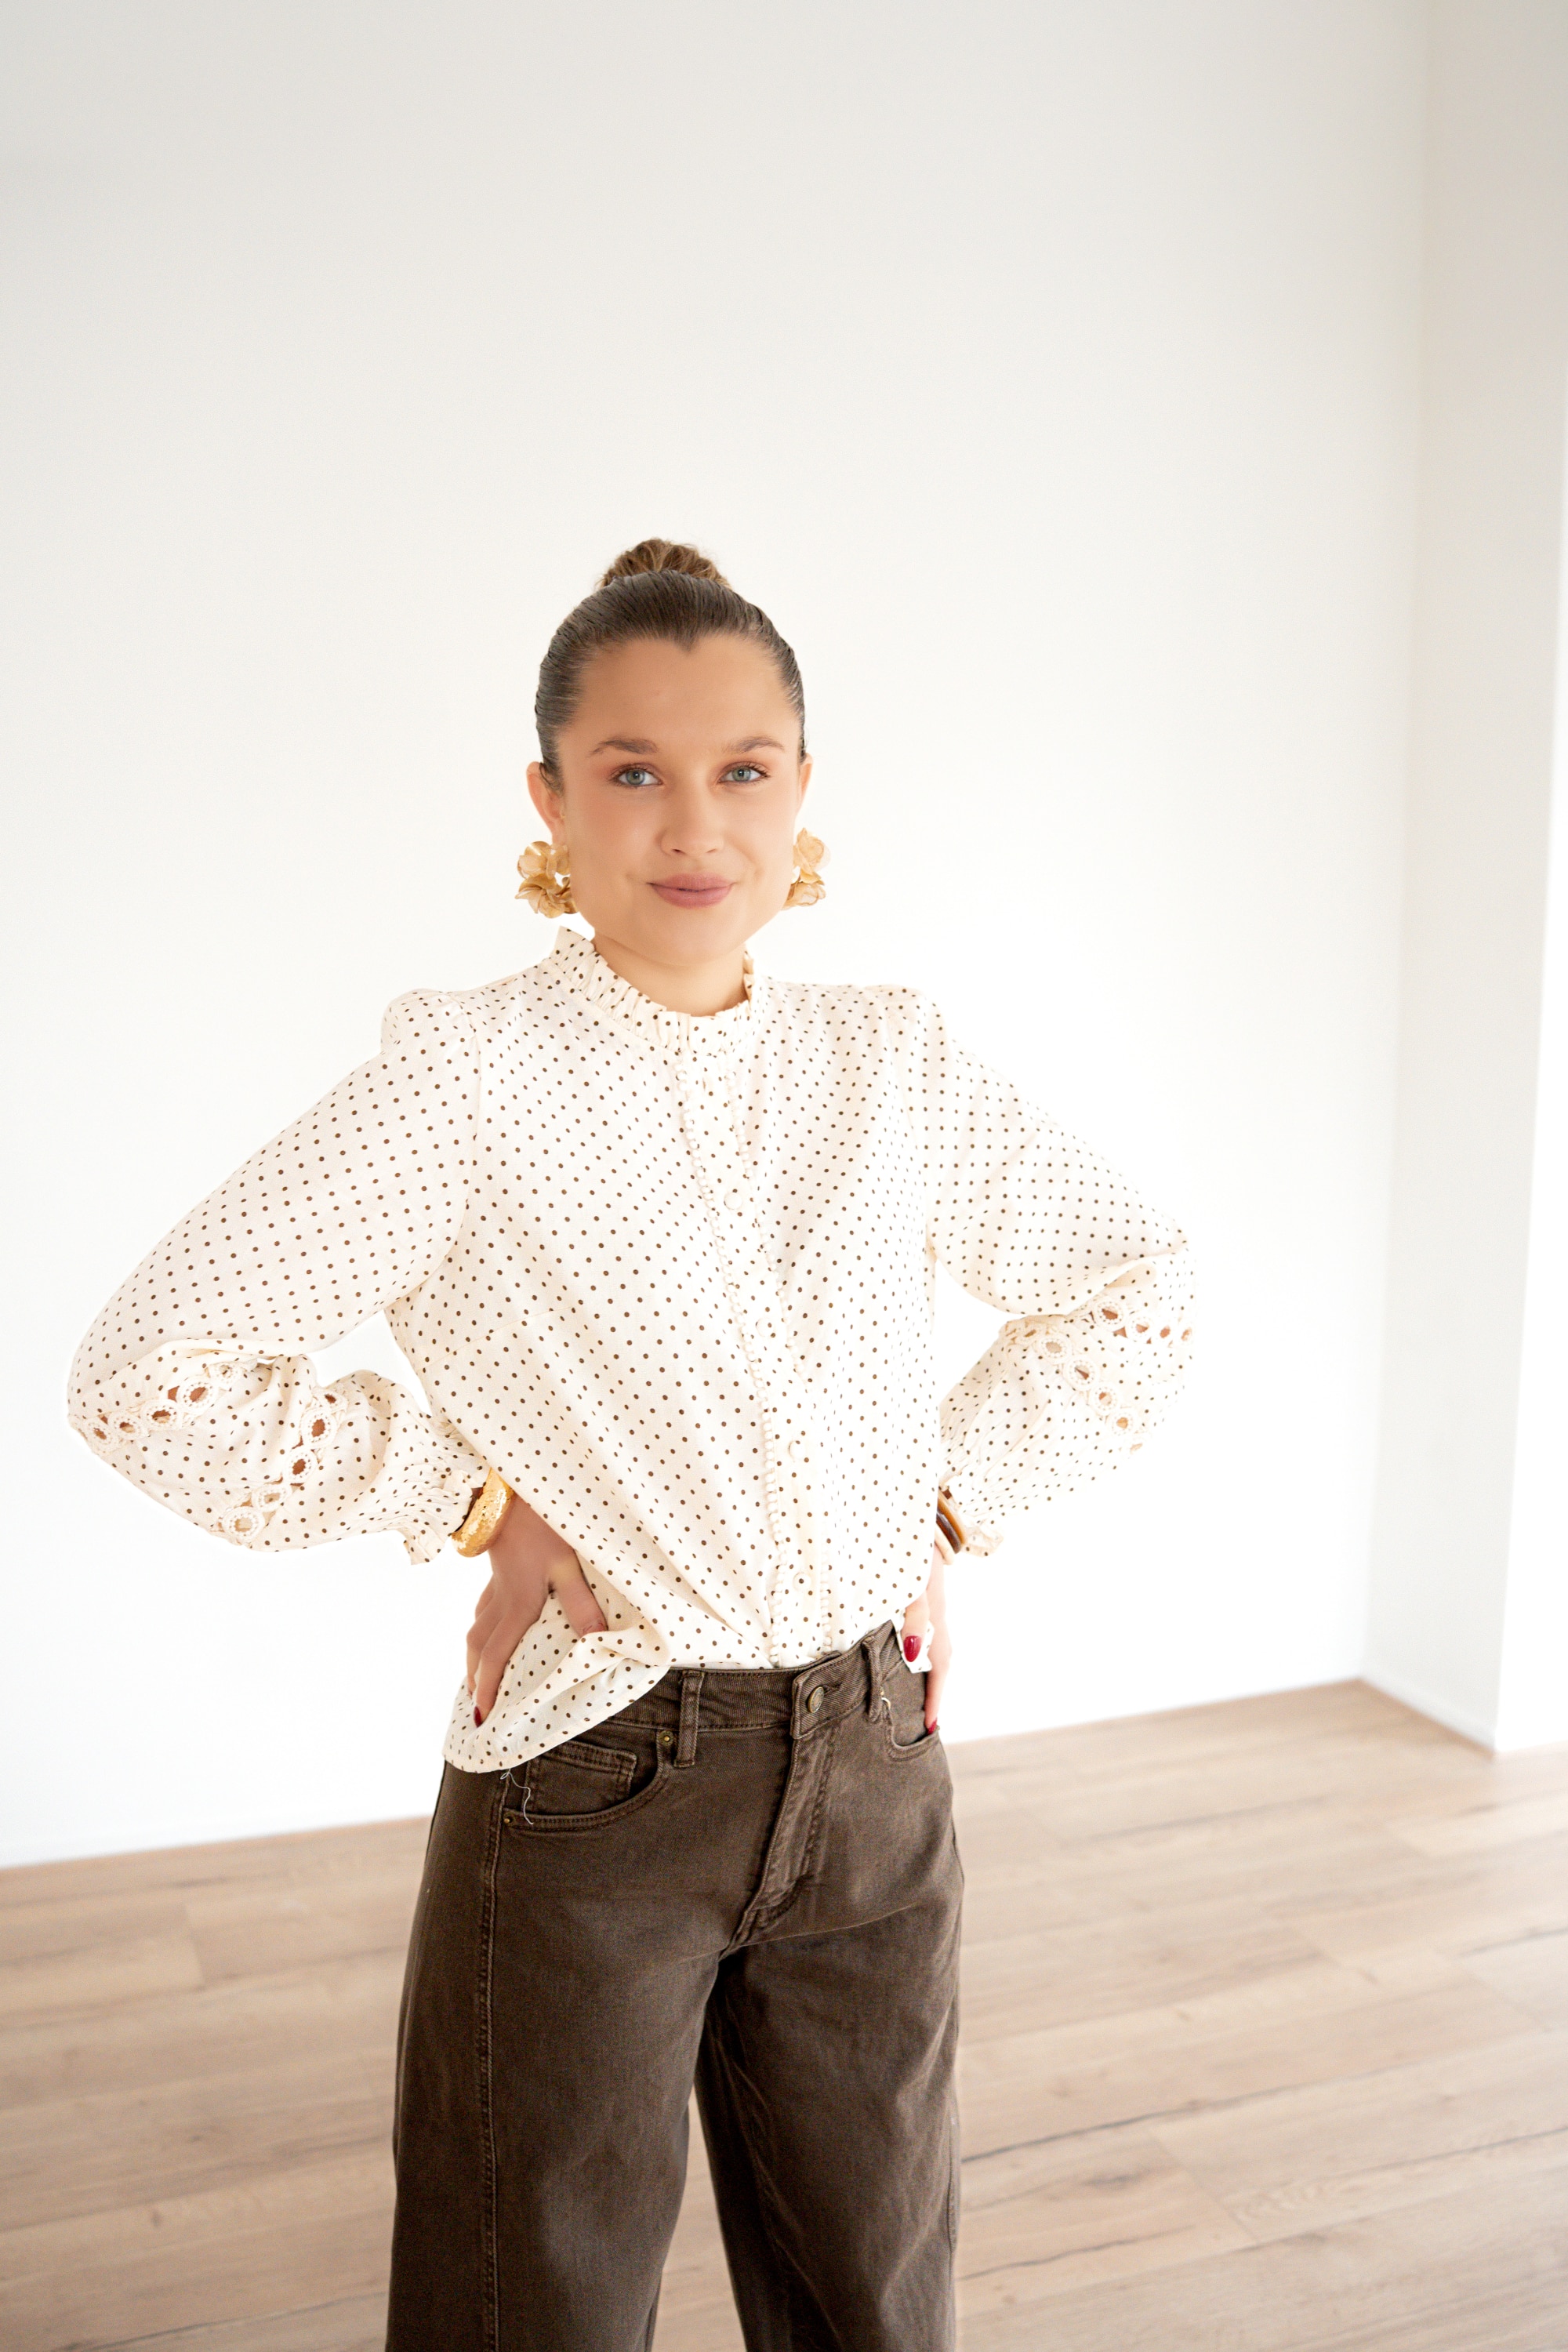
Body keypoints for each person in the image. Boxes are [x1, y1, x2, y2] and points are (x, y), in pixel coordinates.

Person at [69, 539, 1194, 2352]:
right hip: (595, 1777)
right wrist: (461, 1501)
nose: (695, 824)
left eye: (742, 768)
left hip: (874, 1767)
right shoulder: (466, 1077)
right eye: (632, 771)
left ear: (803, 788)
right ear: (549, 800)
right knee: (533, 2308)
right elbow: (147, 1371)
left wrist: (937, 1500)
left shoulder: (891, 1062)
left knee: (875, 2300)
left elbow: (1137, 1290)